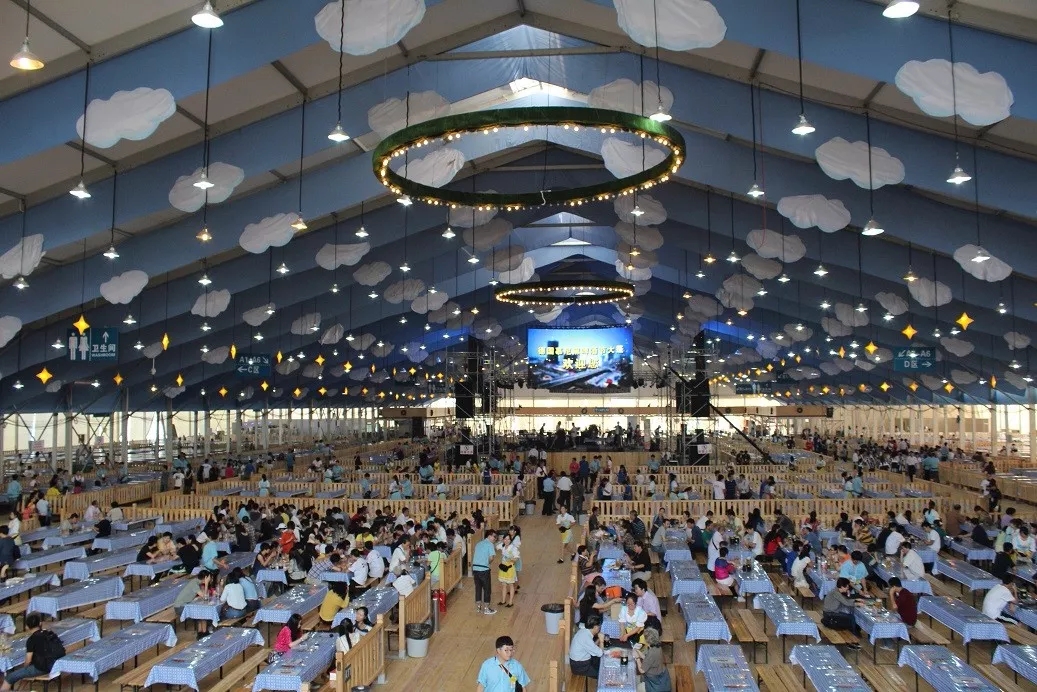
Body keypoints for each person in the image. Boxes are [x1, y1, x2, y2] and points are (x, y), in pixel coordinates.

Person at [5, 614, 63, 684]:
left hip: (42, 668)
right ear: (40, 623)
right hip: (55, 665)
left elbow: (28, 661)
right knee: (19, 672)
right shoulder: (48, 633)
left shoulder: (31, 639)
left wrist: (24, 669)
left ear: (27, 627)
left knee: (10, 677)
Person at [821, 577, 863, 649]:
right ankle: (852, 641)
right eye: (847, 587)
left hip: (830, 613)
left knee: (851, 620)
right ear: (842, 587)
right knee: (851, 618)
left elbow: (845, 600)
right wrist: (858, 603)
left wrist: (856, 600)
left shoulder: (836, 591)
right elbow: (846, 603)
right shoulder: (836, 593)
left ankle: (853, 638)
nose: (848, 588)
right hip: (829, 615)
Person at [633, 627, 672, 692]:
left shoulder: (651, 652)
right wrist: (638, 651)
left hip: (655, 684)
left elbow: (642, 670)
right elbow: (649, 659)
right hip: (663, 678)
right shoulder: (657, 647)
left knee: (637, 688)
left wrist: (637, 658)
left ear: (647, 641)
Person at [472, 530, 498, 615]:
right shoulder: (490, 544)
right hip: (484, 569)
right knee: (487, 589)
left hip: (475, 569)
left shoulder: (478, 544)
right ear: (489, 536)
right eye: (494, 536)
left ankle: (478, 607)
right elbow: (491, 558)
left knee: (478, 588)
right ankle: (486, 608)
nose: (495, 538)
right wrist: (487, 563)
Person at [497, 534, 518, 608]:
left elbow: (516, 558)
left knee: (511, 585)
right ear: (503, 540)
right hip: (503, 567)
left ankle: (510, 602)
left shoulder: (513, 548)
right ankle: (503, 601)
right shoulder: (502, 546)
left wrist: (510, 559)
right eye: (505, 539)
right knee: (503, 584)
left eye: (508, 539)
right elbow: (496, 547)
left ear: (510, 540)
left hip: (510, 568)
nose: (507, 541)